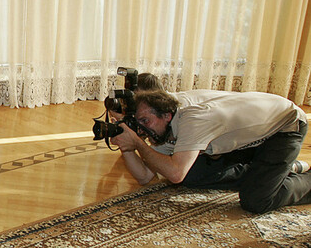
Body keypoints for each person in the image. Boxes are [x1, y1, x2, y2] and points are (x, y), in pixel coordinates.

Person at [111, 89, 311, 213]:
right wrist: (125, 143)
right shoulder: (167, 126)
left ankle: (301, 179)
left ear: (167, 115)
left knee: (256, 201)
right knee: (191, 175)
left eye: (145, 121)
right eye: (138, 123)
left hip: (284, 126)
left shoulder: (194, 121)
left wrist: (137, 143)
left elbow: (175, 173)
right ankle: (276, 171)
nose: (141, 129)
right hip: (246, 138)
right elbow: (145, 176)